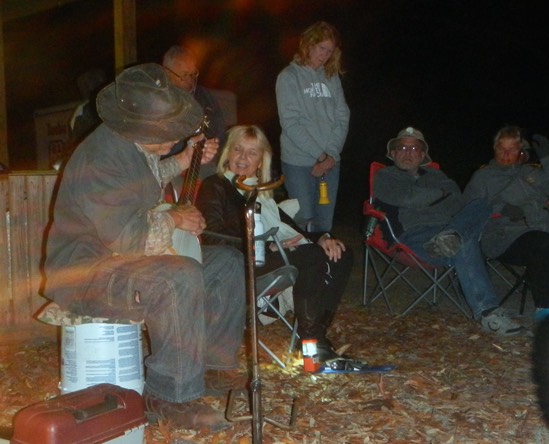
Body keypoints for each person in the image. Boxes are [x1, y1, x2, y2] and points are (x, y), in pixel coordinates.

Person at [42, 63, 246, 431]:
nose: (175, 137)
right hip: (84, 273)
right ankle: (169, 395)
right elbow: (133, 239)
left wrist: (181, 161)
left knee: (227, 263)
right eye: (167, 134)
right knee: (177, 276)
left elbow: (145, 172)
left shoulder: (130, 143)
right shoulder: (100, 159)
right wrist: (174, 219)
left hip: (120, 263)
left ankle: (212, 366)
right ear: (136, 127)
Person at [197, 124, 353, 361]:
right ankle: (313, 344)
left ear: (261, 161)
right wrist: (259, 243)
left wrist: (323, 238)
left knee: (340, 253)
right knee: (309, 255)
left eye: (252, 153)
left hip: (272, 255)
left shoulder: (262, 193)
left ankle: (314, 334)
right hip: (241, 263)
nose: (242, 158)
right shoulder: (216, 186)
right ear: (227, 152)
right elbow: (212, 235)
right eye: (237, 149)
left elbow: (291, 229)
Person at [373, 126, 524, 336]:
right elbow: (408, 198)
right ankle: (489, 313)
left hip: (448, 230)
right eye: (403, 148)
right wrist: (440, 194)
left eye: (414, 148)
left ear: (423, 154)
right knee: (463, 241)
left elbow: (458, 202)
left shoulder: (437, 175)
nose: (408, 153)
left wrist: (440, 200)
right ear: (394, 153)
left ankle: (451, 236)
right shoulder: (385, 176)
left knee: (481, 204)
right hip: (415, 237)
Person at [463, 125, 549, 321]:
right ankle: (545, 309)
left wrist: (548, 157)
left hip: (547, 228)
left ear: (521, 151)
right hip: (506, 236)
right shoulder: (484, 177)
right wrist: (499, 211)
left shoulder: (531, 172)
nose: (506, 154)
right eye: (501, 149)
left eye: (512, 149)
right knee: (541, 243)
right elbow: (468, 209)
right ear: (495, 149)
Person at [276, 21, 350, 232]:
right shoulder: (289, 77)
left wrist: (331, 154)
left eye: (329, 50)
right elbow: (290, 123)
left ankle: (325, 264)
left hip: (330, 162)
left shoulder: (332, 77)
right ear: (308, 45)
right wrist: (319, 156)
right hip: (299, 162)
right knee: (303, 220)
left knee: (324, 223)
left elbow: (342, 116)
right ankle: (302, 264)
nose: (325, 55)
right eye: (321, 48)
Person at [162, 44, 227, 179]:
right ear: (167, 73)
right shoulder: (158, 101)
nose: (191, 81)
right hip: (170, 166)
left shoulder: (205, 97)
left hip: (206, 162)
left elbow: (220, 132)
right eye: (185, 75)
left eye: (194, 74)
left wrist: (213, 147)